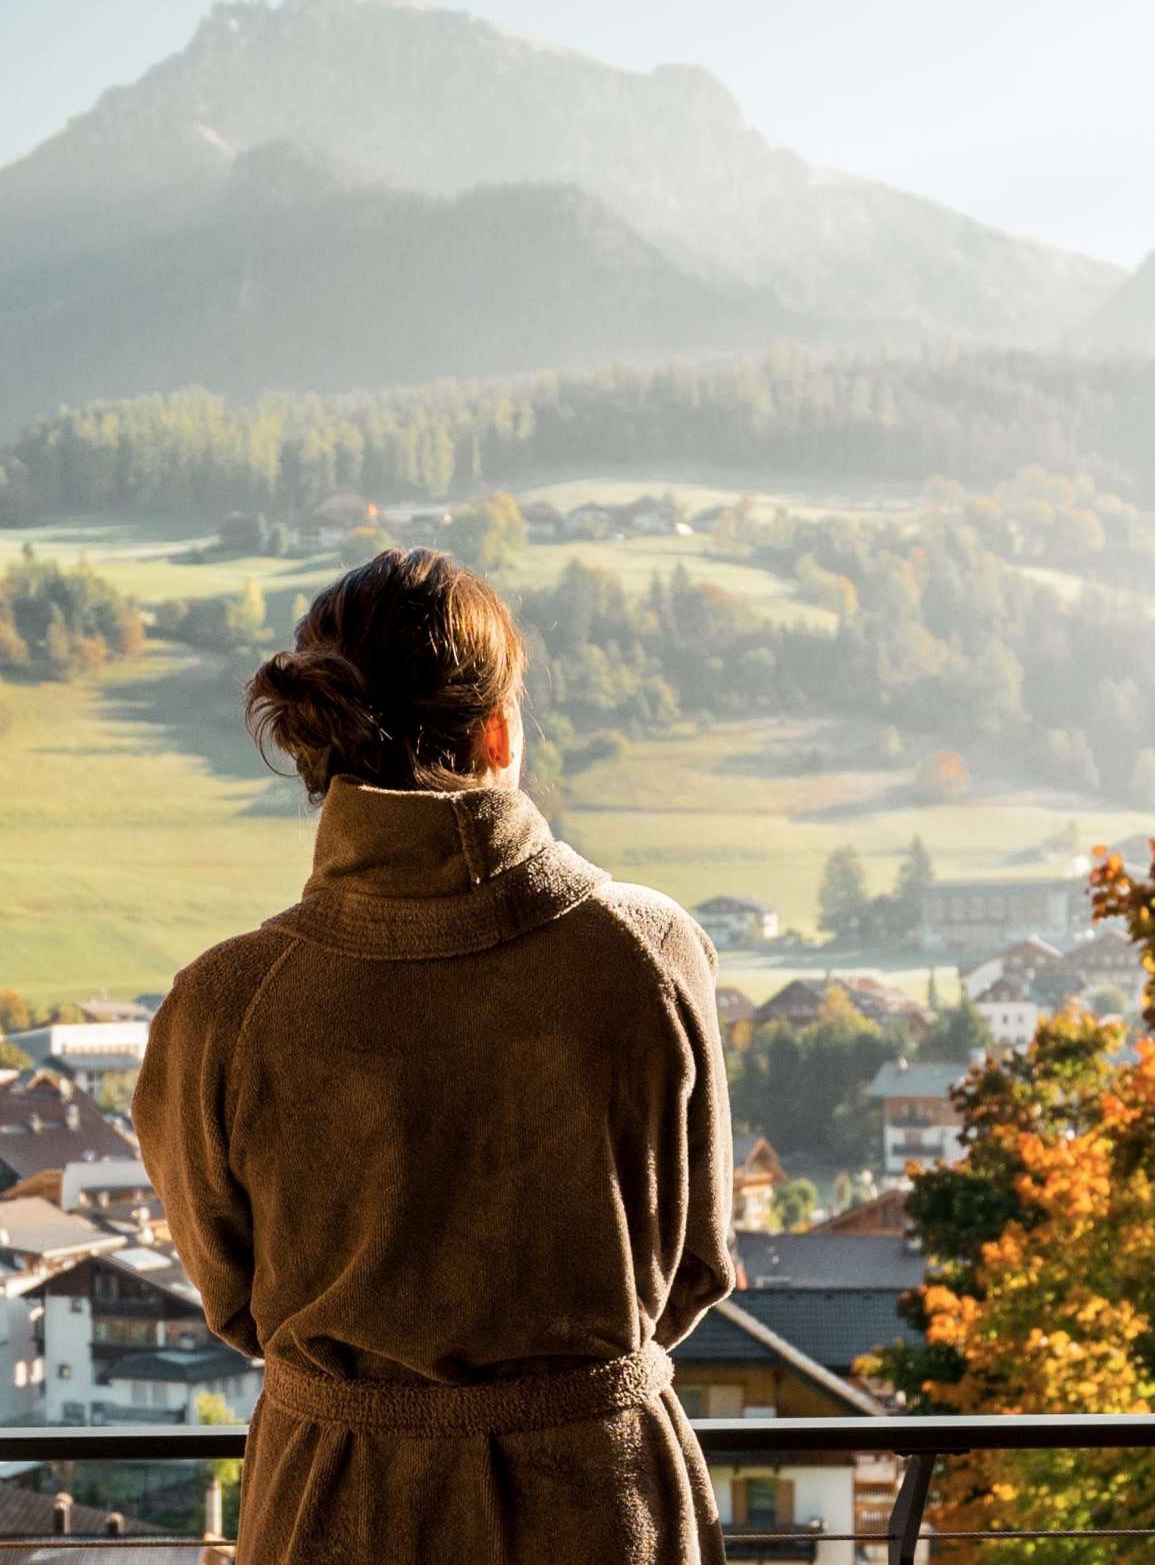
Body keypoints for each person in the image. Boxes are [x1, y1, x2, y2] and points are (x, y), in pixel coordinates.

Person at [134, 547, 733, 1564]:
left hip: (331, 1503)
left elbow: (232, 1293)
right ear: (498, 726)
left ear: (317, 747)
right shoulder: (645, 952)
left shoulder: (223, 1001)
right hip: (598, 1501)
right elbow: (694, 1264)